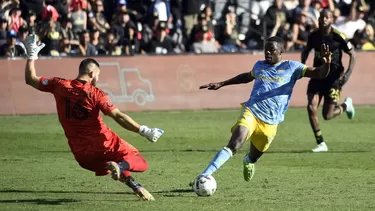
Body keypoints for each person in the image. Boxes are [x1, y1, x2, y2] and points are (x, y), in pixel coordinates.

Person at [23, 34, 164, 201]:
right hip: (103, 142)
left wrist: (31, 56)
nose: (98, 78)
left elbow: (30, 79)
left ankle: (136, 187)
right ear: (91, 73)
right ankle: (121, 166)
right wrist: (143, 130)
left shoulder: (59, 85)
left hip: (82, 155)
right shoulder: (95, 93)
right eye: (97, 75)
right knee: (139, 161)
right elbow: (118, 116)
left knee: (112, 166)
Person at [191, 35, 332, 184]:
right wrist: (222, 83)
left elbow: (319, 73)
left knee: (255, 156)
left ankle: (249, 161)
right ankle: (204, 175)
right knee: (235, 142)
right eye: (266, 50)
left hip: (271, 123)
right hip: (251, 111)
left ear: (281, 51)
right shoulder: (259, 65)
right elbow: (246, 77)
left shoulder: (292, 67)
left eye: (272, 50)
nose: (268, 53)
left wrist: (327, 64)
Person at [301, 9, 356, 152]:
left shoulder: (338, 37)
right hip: (318, 75)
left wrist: (348, 74)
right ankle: (321, 143)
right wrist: (302, 66)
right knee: (311, 107)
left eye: (327, 17)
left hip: (333, 78)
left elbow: (353, 54)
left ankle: (346, 105)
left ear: (331, 20)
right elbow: (306, 50)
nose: (324, 20)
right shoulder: (314, 36)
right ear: (319, 19)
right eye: (322, 17)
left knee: (328, 115)